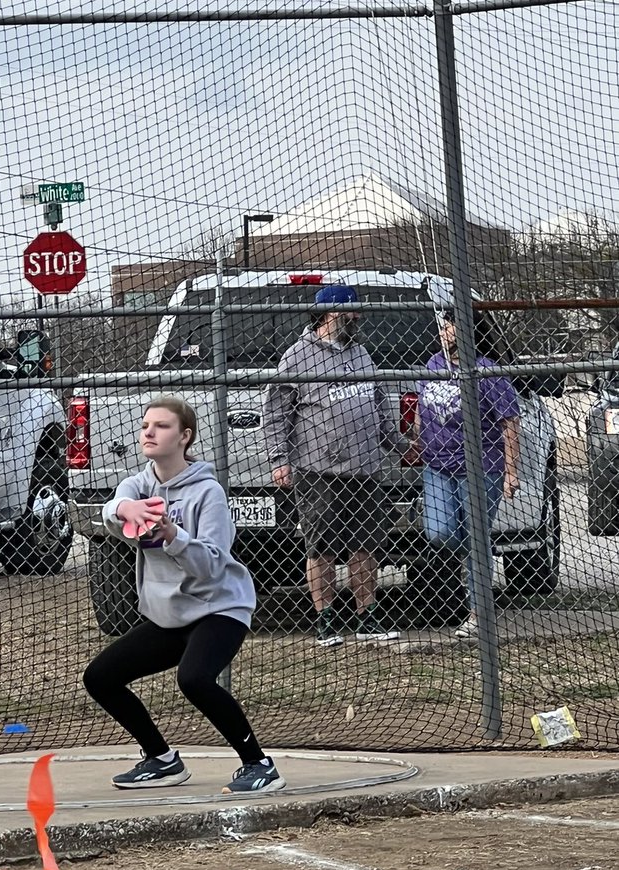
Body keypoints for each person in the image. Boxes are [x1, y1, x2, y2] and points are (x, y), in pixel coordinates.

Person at [83, 396, 285, 795]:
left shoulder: (208, 493)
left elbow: (212, 564)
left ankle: (259, 765)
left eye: (161, 426)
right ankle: (161, 760)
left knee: (194, 679)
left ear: (184, 436)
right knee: (101, 677)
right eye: (145, 425)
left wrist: (174, 537)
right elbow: (115, 504)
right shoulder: (141, 483)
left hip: (220, 608)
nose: (148, 432)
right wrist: (126, 509)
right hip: (170, 615)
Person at [263, 284, 400, 647]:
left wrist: (396, 442)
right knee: (320, 546)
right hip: (318, 470)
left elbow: (378, 402)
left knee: (365, 545)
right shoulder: (297, 356)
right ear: (330, 313)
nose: (358, 317)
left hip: (366, 468)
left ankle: (367, 616)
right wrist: (279, 460)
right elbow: (277, 413)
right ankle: (325, 620)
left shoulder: (361, 353)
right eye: (352, 311)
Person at [409, 309, 521, 639]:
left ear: (468, 333)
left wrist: (511, 472)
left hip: (481, 467)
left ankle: (477, 613)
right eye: (443, 326)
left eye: (450, 326)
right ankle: (474, 555)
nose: (444, 332)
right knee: (439, 531)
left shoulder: (488, 372)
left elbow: (510, 423)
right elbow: (420, 408)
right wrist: (416, 440)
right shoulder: (432, 366)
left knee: (477, 537)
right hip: (437, 465)